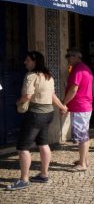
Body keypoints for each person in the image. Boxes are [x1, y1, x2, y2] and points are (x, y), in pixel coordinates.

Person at [7, 51, 67, 191]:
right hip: (48, 114)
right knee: (43, 143)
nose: (25, 62)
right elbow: (52, 96)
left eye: (27, 60)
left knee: (23, 147)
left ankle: (24, 179)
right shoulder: (48, 76)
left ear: (35, 62)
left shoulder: (31, 76)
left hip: (34, 115)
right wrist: (62, 107)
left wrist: (18, 102)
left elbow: (27, 95)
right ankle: (44, 174)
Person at [63, 49, 93, 171]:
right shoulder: (85, 68)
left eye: (69, 56)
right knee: (84, 135)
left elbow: (73, 89)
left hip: (80, 107)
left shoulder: (78, 69)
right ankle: (84, 160)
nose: (67, 59)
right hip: (85, 106)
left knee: (81, 137)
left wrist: (64, 103)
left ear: (76, 56)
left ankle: (82, 164)